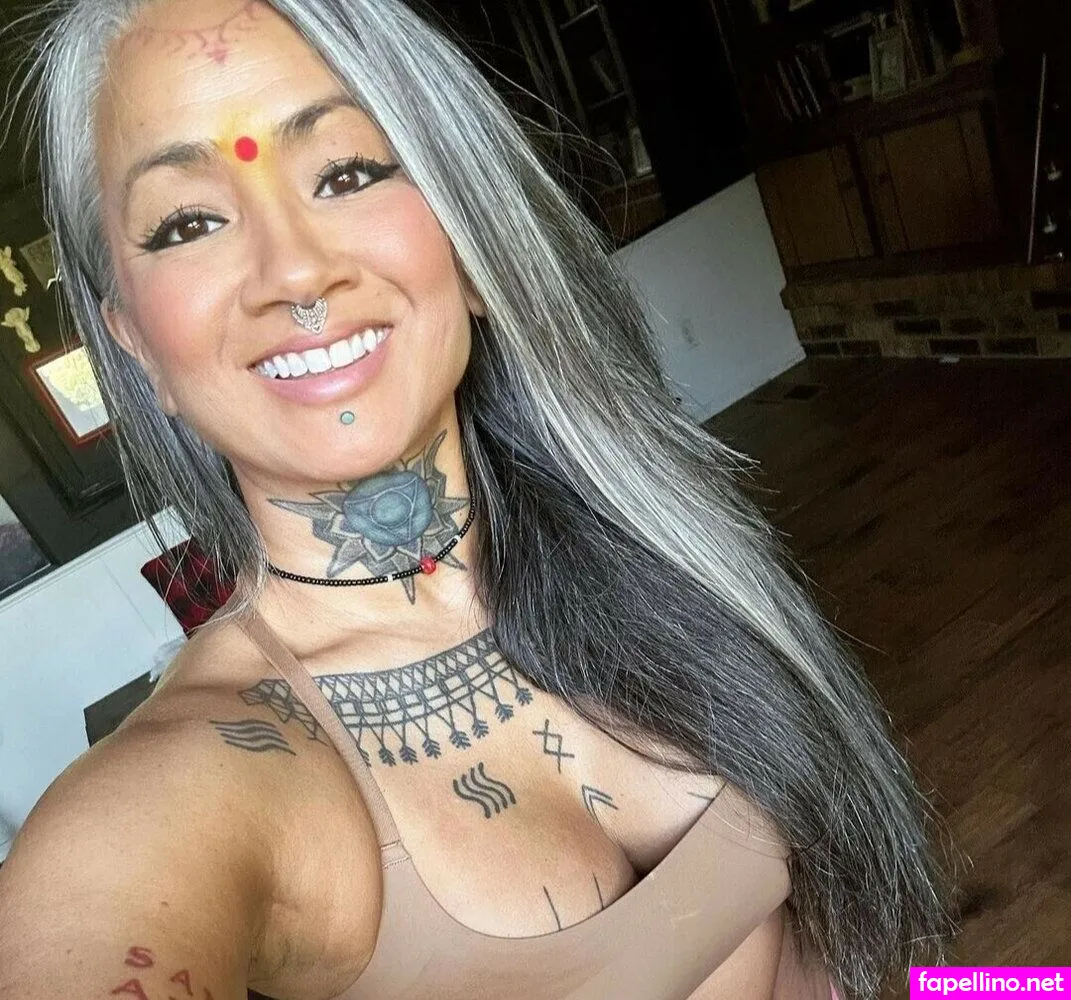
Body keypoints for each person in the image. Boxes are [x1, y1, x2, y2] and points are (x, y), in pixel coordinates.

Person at [0, 1, 952, 997]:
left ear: (468, 239)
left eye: (348, 172)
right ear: (137, 345)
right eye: (189, 222)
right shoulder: (188, 788)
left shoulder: (652, 540)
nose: (296, 272)